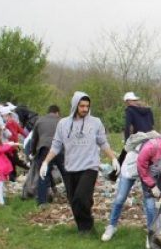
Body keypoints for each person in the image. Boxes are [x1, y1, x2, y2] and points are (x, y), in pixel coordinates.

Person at [39, 91, 120, 234]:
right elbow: (56, 145)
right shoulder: (63, 123)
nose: (85, 109)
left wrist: (113, 158)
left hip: (89, 167)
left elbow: (103, 143)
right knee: (74, 201)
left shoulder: (96, 122)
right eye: (82, 106)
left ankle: (87, 226)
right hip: (70, 168)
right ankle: (84, 229)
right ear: (75, 105)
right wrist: (45, 162)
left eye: (87, 106)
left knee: (80, 197)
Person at [102, 129, 161, 243]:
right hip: (130, 168)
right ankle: (111, 226)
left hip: (146, 171)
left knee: (149, 202)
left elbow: (159, 170)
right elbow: (139, 165)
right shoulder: (144, 148)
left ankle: (151, 233)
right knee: (120, 198)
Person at [30, 105, 65, 205]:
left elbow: (34, 139)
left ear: (48, 112)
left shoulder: (40, 121)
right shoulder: (62, 121)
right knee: (66, 175)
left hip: (44, 150)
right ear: (57, 112)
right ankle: (73, 199)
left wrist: (33, 152)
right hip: (59, 150)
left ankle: (42, 202)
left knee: (43, 175)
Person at [0, 105, 29, 180]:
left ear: (8, 115)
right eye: (3, 116)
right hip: (9, 148)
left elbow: (22, 132)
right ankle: (13, 177)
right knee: (12, 162)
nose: (3, 117)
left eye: (4, 116)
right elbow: (21, 132)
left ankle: (30, 168)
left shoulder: (10, 124)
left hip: (12, 147)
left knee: (16, 161)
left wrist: (28, 138)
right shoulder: (7, 125)